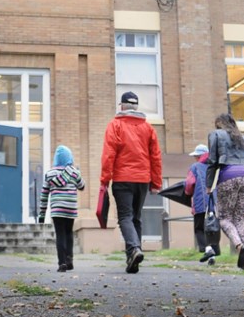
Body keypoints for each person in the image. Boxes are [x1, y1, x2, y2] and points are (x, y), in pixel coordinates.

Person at [100, 91, 163, 274]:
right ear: (136, 107)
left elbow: (108, 154)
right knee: (136, 218)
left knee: (125, 217)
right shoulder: (148, 128)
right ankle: (133, 257)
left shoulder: (115, 125)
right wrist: (156, 183)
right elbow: (156, 157)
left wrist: (105, 179)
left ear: (122, 106)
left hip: (122, 178)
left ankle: (134, 248)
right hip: (143, 179)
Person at [205, 113, 244, 270]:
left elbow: (212, 162)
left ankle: (238, 245)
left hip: (228, 176)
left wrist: (208, 185)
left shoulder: (216, 135)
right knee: (240, 219)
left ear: (219, 125)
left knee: (224, 218)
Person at [38, 144, 86, 272]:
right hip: (70, 208)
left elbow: (44, 194)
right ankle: (69, 260)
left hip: (57, 209)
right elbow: (82, 186)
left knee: (60, 235)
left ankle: (62, 263)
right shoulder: (74, 172)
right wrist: (78, 172)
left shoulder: (49, 173)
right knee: (69, 232)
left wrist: (42, 215)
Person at [184, 143, 221, 264]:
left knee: (199, 229)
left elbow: (189, 184)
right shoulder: (215, 166)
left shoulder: (195, 167)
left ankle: (208, 250)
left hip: (201, 202)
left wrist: (187, 192)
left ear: (199, 156)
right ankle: (212, 256)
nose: (195, 158)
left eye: (196, 156)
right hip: (214, 203)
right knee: (212, 229)